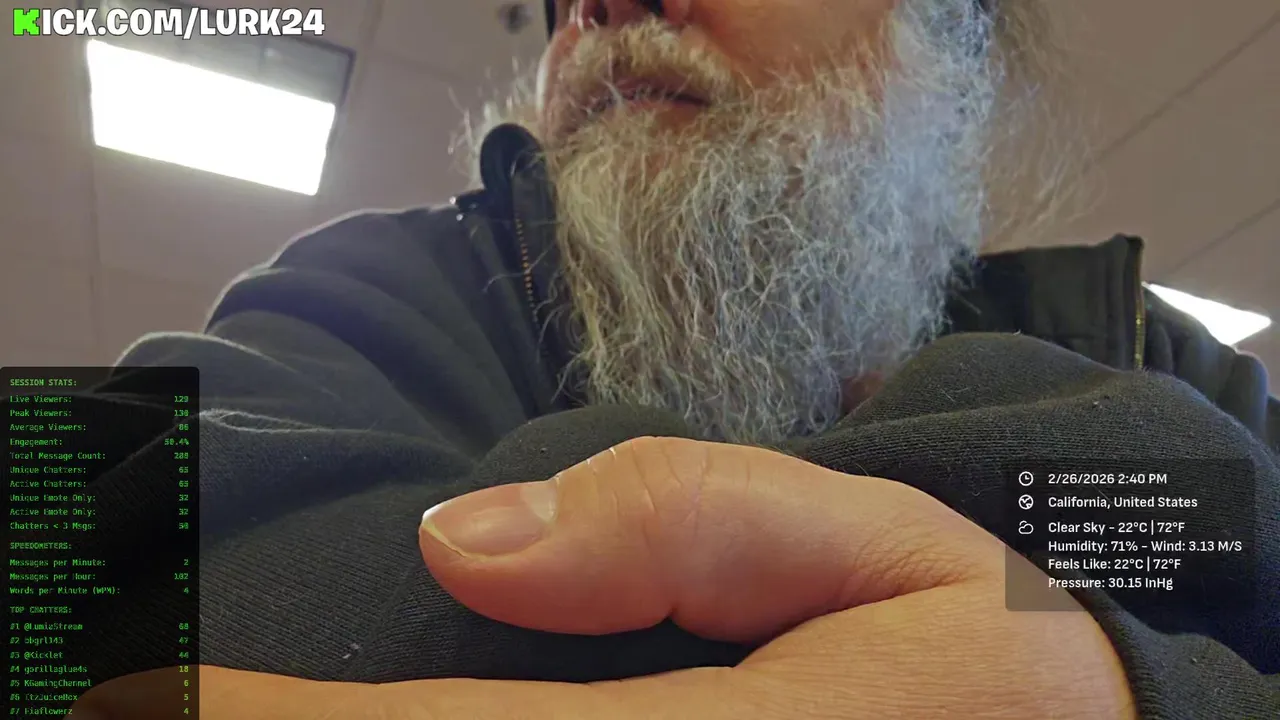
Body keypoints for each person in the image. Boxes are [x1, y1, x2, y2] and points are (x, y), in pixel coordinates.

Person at [71, 0, 1277, 717]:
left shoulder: (1151, 350)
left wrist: (1147, 693)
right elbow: (78, 569)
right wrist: (1086, 600)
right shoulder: (381, 288)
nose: (598, 4)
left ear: (945, 35)